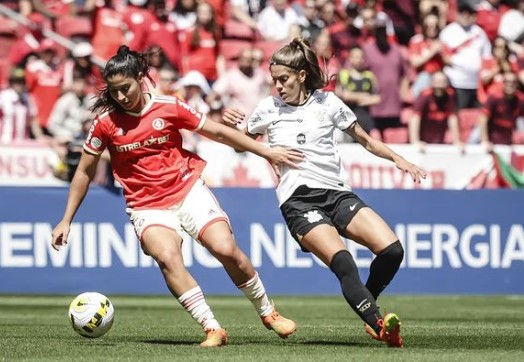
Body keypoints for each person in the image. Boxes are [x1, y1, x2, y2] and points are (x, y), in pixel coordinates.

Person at [50, 45, 303, 348]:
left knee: (225, 248)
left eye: (126, 88)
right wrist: (66, 219)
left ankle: (268, 312)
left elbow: (219, 133)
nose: (120, 97)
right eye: (114, 91)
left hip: (187, 189)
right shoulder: (105, 123)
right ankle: (212, 328)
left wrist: (265, 151)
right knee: (168, 257)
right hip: (146, 205)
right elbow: (84, 171)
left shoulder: (170, 106)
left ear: (141, 78)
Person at [222, 37, 427, 348]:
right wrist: (238, 131)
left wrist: (399, 158)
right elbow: (239, 145)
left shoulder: (328, 103)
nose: (277, 86)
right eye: (274, 79)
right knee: (344, 263)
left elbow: (366, 140)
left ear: (302, 75)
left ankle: (368, 305)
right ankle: (379, 324)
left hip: (337, 193)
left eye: (284, 79)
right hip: (299, 200)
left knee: (392, 251)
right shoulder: (268, 109)